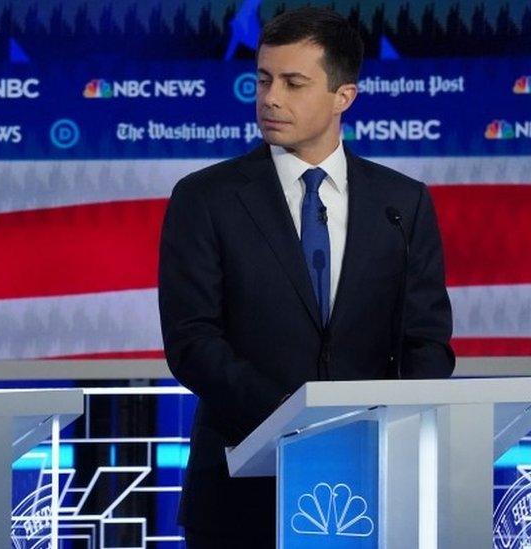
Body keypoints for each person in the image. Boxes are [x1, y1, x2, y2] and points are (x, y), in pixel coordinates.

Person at [157, 7, 454, 547]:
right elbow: (192, 341)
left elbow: (426, 340)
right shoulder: (206, 198)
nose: (271, 97)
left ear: (344, 96)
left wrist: (387, 429)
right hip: (240, 487)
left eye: (294, 83)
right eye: (264, 79)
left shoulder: (401, 204)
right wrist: (297, 424)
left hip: (373, 484)